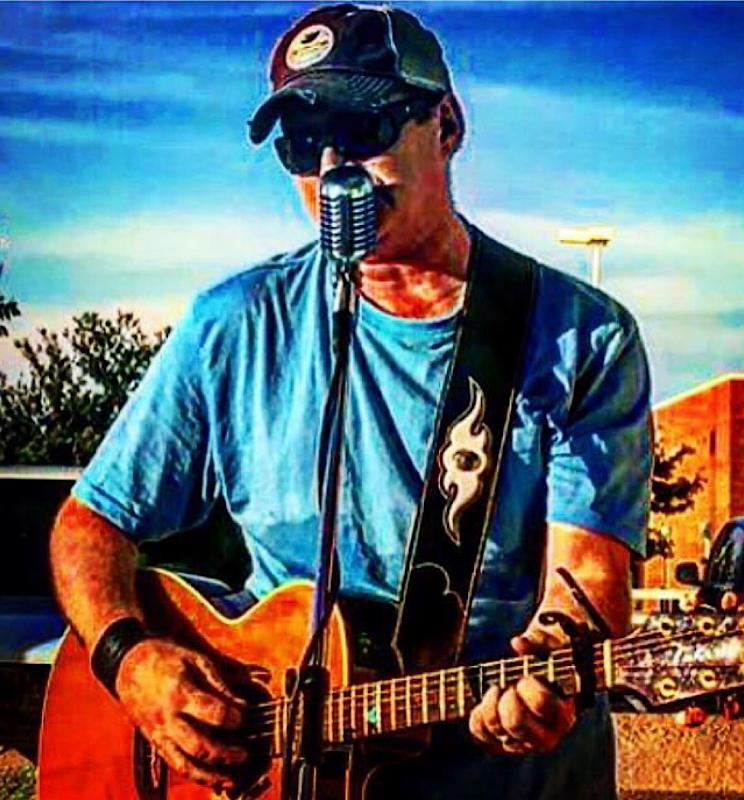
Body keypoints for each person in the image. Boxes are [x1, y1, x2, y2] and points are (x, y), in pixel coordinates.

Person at [50, 4, 653, 799]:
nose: (334, 168)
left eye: (362, 128)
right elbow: (88, 527)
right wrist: (128, 658)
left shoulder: (580, 337)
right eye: (303, 143)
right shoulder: (234, 325)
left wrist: (549, 671)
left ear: (447, 124)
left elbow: (589, 584)